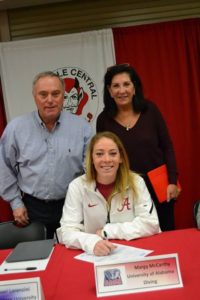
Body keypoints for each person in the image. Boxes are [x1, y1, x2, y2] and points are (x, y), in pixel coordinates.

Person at [0, 71, 92, 238]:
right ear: (35, 97)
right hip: (32, 209)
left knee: (72, 257)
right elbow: (4, 168)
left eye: (55, 94)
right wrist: (15, 203)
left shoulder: (82, 128)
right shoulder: (16, 129)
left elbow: (91, 170)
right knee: (39, 258)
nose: (50, 100)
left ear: (63, 96)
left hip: (72, 205)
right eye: (43, 94)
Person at [96, 64, 181, 231]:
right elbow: (104, 159)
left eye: (126, 84)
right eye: (116, 86)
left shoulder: (150, 110)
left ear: (134, 87)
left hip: (159, 185)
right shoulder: (103, 120)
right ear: (110, 91)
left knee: (165, 231)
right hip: (125, 188)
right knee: (133, 234)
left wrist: (172, 181)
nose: (122, 90)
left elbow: (167, 146)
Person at [57, 131, 160, 256]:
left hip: (134, 252)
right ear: (91, 159)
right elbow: (66, 232)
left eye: (113, 153)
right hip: (94, 254)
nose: (106, 159)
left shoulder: (136, 182)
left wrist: (108, 232)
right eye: (99, 154)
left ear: (121, 157)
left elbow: (151, 224)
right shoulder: (77, 187)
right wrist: (92, 242)